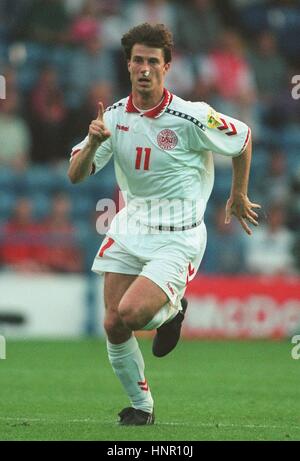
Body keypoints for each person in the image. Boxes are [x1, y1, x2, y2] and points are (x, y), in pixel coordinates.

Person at [68, 23, 260, 426]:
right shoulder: (114, 117)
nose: (144, 68)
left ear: (167, 67)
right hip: (131, 227)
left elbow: (242, 138)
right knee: (112, 323)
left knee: (133, 313)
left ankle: (171, 313)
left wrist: (237, 195)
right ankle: (142, 407)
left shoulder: (191, 116)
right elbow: (75, 174)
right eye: (137, 60)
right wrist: (93, 143)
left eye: (153, 61)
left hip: (178, 237)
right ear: (128, 65)